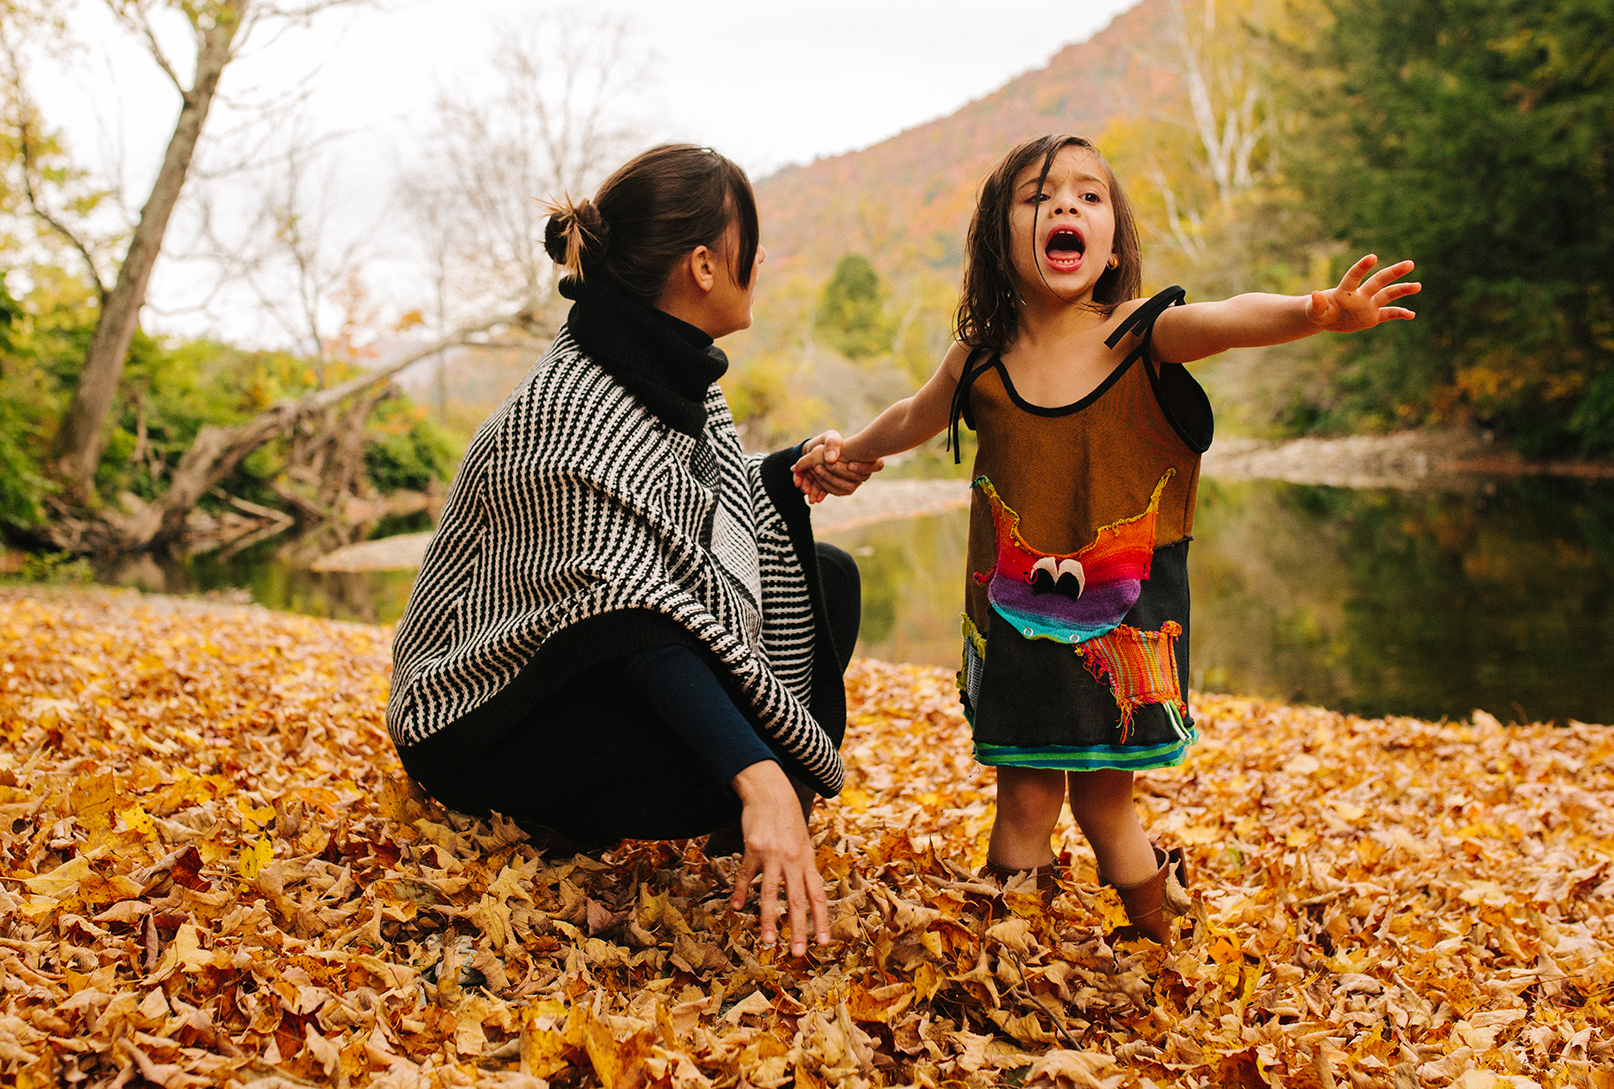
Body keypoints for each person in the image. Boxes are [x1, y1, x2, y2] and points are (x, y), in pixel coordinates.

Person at [795, 133, 1418, 946]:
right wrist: (853, 451)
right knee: (1022, 794)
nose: (1065, 205)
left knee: (1102, 801)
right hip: (1012, 617)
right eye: (1038, 196)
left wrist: (1312, 312)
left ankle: (1161, 938)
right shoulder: (979, 359)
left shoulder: (1140, 334)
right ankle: (1011, 956)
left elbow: (1225, 322)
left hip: (1122, 625)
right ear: (999, 236)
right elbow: (915, 414)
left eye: (1089, 196)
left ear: (1112, 240)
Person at [386, 143, 876, 958]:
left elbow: (688, 503)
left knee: (828, 579)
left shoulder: (667, 373)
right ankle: (597, 813)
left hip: (592, 660)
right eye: (749, 240)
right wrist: (756, 777)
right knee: (730, 758)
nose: (763, 259)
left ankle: (730, 808)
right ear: (705, 266)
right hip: (474, 712)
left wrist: (788, 472)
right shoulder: (568, 410)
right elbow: (628, 619)